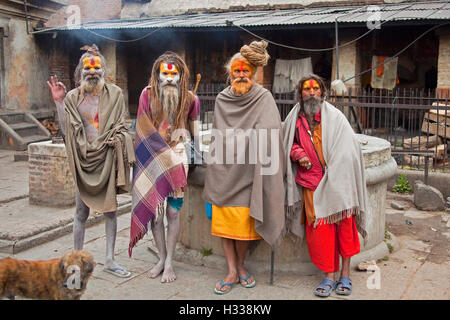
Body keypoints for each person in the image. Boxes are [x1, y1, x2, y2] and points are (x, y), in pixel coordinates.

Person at [203, 40, 285, 295]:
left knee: (242, 226)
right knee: (226, 225)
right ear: (230, 73)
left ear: (254, 73)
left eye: (245, 71)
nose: (241, 75)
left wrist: (258, 138)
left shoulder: (263, 97)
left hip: (251, 172)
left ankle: (240, 265)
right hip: (225, 171)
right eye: (237, 70)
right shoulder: (222, 99)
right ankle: (230, 269)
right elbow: (219, 135)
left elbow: (273, 131)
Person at [47, 44, 135, 278]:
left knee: (111, 211)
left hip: (107, 159)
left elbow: (122, 126)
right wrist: (58, 101)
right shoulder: (72, 97)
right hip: (83, 162)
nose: (92, 71)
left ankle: (109, 260)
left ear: (103, 70)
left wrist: (117, 138)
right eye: (88, 68)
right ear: (81, 71)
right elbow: (67, 131)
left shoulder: (115, 94)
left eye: (97, 67)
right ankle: (76, 259)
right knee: (80, 212)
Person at [283, 74, 368, 297]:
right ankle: (329, 276)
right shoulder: (294, 119)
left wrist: (335, 172)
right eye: (306, 89)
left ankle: (346, 275)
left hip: (339, 184)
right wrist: (297, 152)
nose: (311, 92)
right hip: (311, 184)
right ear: (300, 94)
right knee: (320, 230)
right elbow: (286, 143)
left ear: (322, 92)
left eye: (315, 89)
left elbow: (350, 149)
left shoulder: (336, 117)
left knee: (345, 229)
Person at [128, 52, 200, 283]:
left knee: (173, 212)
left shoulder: (191, 99)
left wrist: (196, 153)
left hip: (178, 159)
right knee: (156, 216)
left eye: (174, 73)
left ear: (180, 76)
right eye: (165, 73)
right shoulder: (146, 95)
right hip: (151, 159)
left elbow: (195, 132)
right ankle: (161, 258)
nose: (169, 78)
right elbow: (141, 129)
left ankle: (170, 262)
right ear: (157, 75)